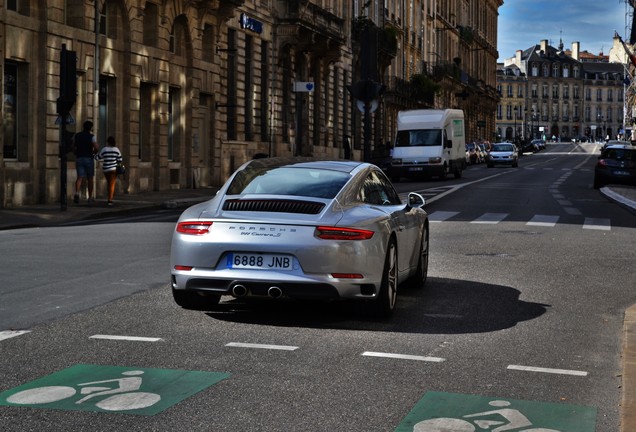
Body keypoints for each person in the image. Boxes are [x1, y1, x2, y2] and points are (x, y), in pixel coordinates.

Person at [72, 121, 99, 204]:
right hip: (88, 158)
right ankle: (90, 197)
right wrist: (94, 152)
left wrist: (76, 153)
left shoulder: (77, 135)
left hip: (79, 158)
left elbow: (73, 146)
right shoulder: (92, 136)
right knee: (90, 178)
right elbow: (96, 147)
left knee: (79, 177)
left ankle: (77, 193)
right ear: (90, 128)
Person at [95, 136, 122, 206]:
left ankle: (109, 197)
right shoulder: (117, 150)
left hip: (106, 169)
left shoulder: (104, 149)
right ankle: (110, 200)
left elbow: (98, 158)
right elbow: (120, 160)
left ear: (108, 142)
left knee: (109, 183)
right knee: (112, 184)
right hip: (113, 169)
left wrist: (94, 154)